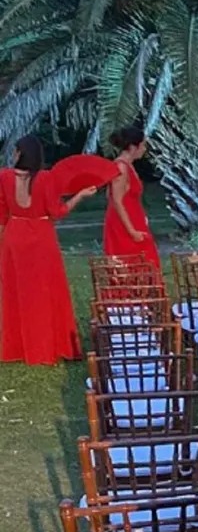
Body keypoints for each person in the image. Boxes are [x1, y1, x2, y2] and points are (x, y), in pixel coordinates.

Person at [0, 136, 97, 364]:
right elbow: (57, 212)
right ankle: (48, 345)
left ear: (19, 153)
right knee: (46, 291)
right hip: (41, 237)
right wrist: (80, 195)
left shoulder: (4, 177)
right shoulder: (45, 178)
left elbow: (2, 213)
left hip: (14, 236)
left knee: (17, 291)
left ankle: (18, 347)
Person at [102, 125, 161, 270]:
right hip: (125, 223)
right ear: (133, 147)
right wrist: (131, 231)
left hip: (134, 218)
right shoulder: (121, 167)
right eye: (143, 145)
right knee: (133, 261)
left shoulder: (128, 166)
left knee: (146, 260)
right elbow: (116, 200)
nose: (144, 149)